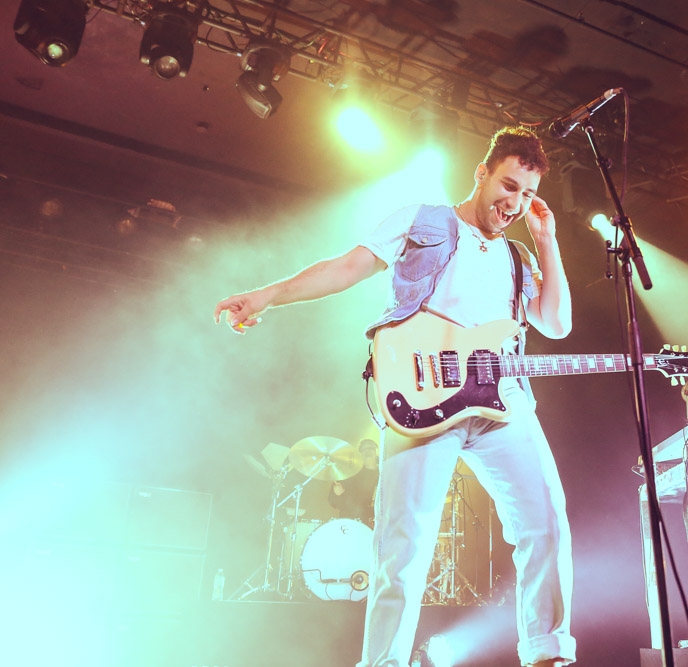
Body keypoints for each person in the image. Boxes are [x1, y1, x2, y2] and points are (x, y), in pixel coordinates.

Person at [214, 127, 575, 667]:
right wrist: (267, 295)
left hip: (502, 398)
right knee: (403, 545)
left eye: (526, 193)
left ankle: (548, 654)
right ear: (481, 172)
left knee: (546, 519)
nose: (515, 202)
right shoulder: (423, 220)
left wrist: (546, 242)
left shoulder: (520, 256)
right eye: (507, 185)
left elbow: (557, 323)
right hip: (421, 391)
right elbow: (344, 268)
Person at [328, 439, 380, 527]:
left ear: (376, 452)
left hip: (376, 525)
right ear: (360, 454)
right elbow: (333, 502)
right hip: (350, 525)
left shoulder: (384, 474)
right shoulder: (350, 474)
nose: (367, 451)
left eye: (371, 448)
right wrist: (337, 494)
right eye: (364, 449)